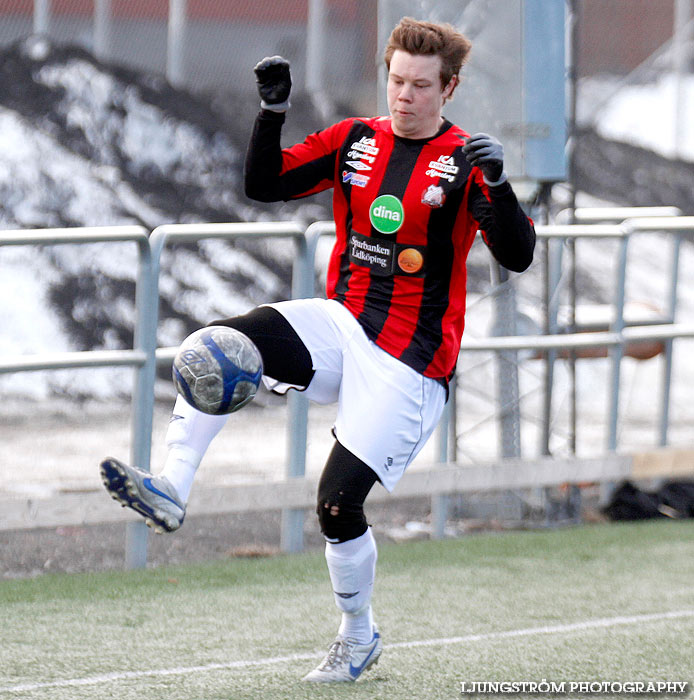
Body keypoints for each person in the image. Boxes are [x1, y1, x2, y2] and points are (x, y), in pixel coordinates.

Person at [100, 16, 535, 683]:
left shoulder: (464, 160)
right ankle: (172, 487)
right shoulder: (356, 140)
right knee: (222, 345)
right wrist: (271, 113)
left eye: (421, 85)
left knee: (336, 503)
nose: (404, 95)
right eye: (396, 80)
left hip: (410, 362)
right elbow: (264, 183)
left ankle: (357, 637)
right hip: (343, 323)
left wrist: (500, 188)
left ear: (449, 88)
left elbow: (518, 254)